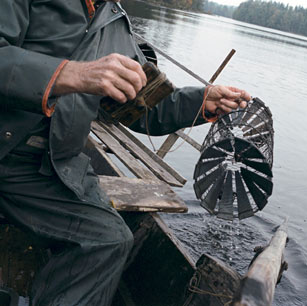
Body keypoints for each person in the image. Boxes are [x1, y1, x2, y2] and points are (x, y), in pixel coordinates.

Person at [0, 0, 250, 305]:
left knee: (110, 239)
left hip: (47, 167)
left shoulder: (116, 23)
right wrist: (72, 74)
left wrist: (202, 101)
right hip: (7, 146)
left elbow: (147, 108)